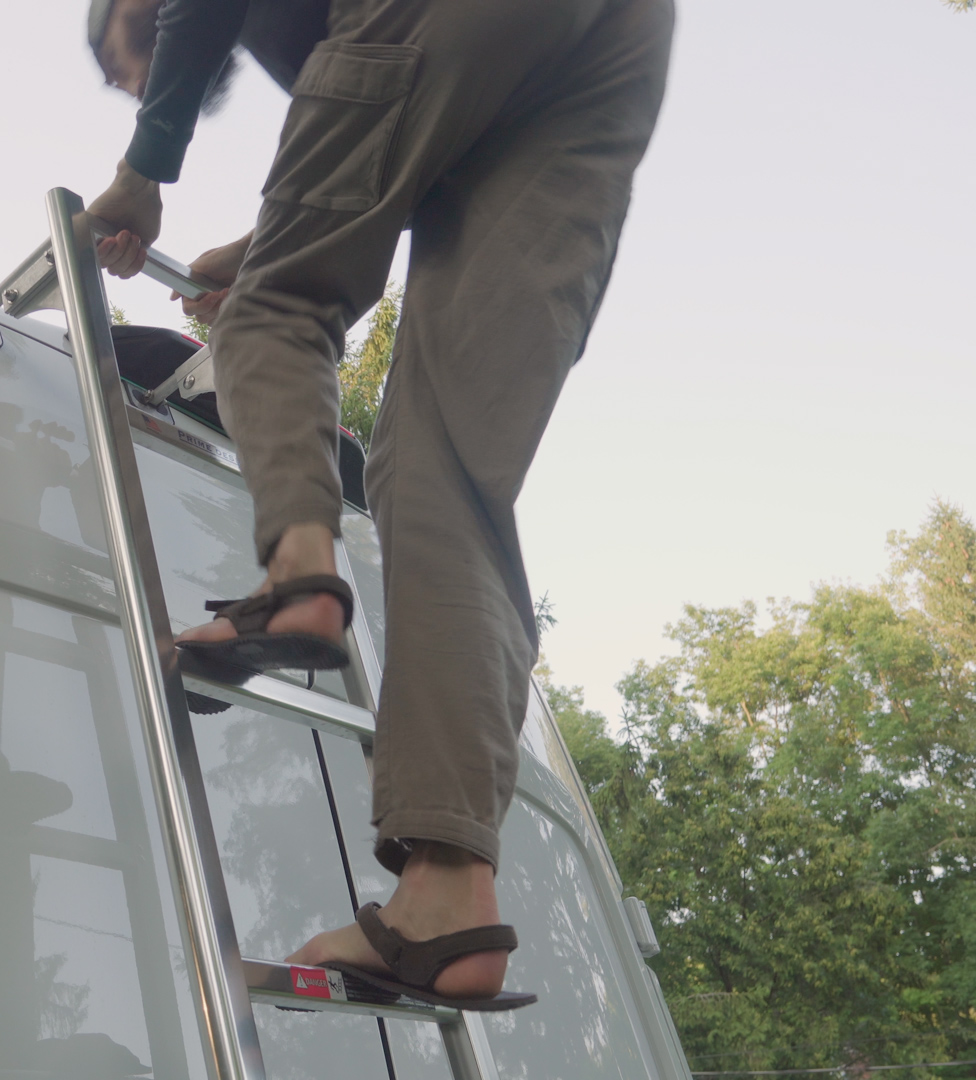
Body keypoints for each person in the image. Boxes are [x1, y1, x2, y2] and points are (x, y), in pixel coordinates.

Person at [84, 0, 671, 1009]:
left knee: (279, 307)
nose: (133, 76)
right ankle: (446, 890)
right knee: (447, 459)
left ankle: (301, 574)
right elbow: (428, 123)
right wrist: (271, 234)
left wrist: (149, 165)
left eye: (118, 56)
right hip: (613, 52)